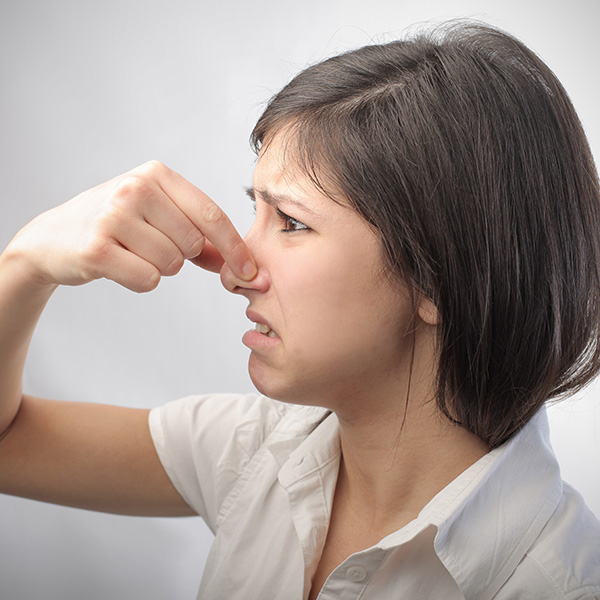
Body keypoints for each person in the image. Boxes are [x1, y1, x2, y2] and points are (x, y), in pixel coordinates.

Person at [0, 20, 599, 600]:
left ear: (439, 276)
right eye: (256, 210)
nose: (236, 271)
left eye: (291, 222)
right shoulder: (253, 449)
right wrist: (26, 263)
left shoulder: (559, 586)